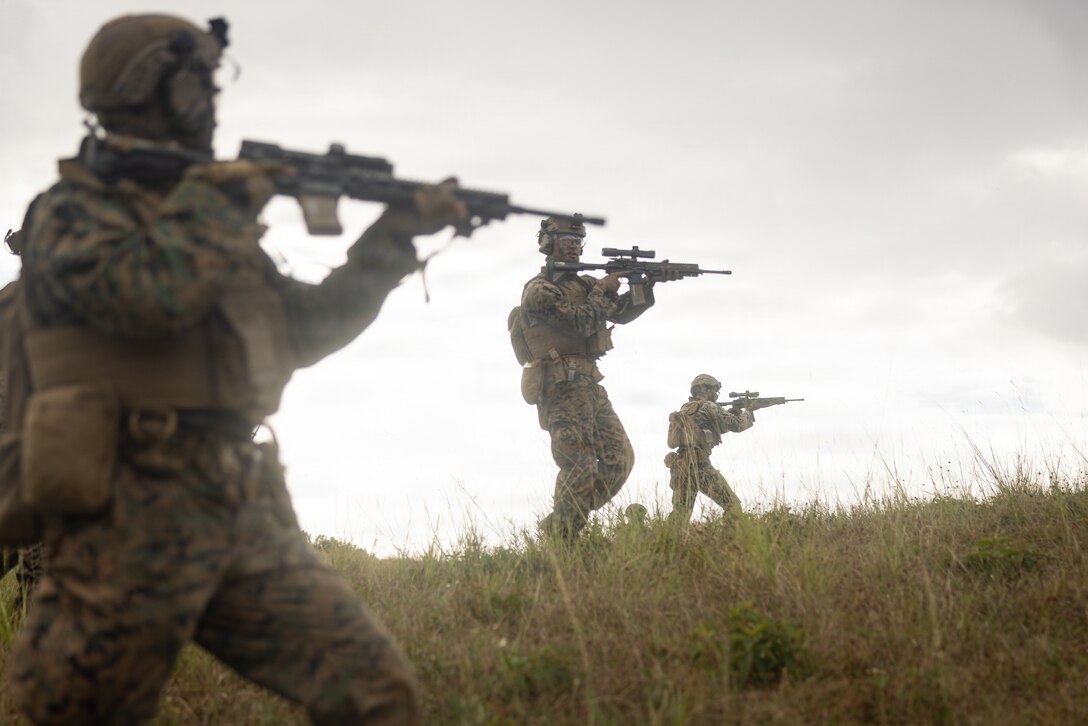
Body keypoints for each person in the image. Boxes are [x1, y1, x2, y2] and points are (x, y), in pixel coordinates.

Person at [3, 14, 467, 725]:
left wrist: (393, 238)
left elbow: (304, 332)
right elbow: (148, 298)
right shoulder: (72, 212)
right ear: (145, 87)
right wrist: (218, 205)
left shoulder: (212, 217)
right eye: (198, 82)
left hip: (242, 507)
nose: (212, 100)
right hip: (126, 512)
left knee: (377, 694)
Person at [514, 215, 659, 538]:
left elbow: (621, 313)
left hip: (590, 386)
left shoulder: (584, 285)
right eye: (566, 240)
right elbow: (579, 323)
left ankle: (561, 523)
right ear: (547, 244)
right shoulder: (539, 290)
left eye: (578, 242)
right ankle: (564, 539)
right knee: (578, 465)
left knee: (619, 461)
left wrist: (645, 285)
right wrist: (602, 289)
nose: (574, 247)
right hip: (560, 386)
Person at [665, 374, 754, 523]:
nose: (716, 395)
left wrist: (734, 410)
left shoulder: (686, 408)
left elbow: (713, 426)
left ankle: (667, 541)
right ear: (702, 388)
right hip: (700, 466)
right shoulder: (709, 406)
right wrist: (750, 411)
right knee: (733, 506)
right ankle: (732, 540)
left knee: (680, 514)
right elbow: (737, 426)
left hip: (680, 466)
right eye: (713, 390)